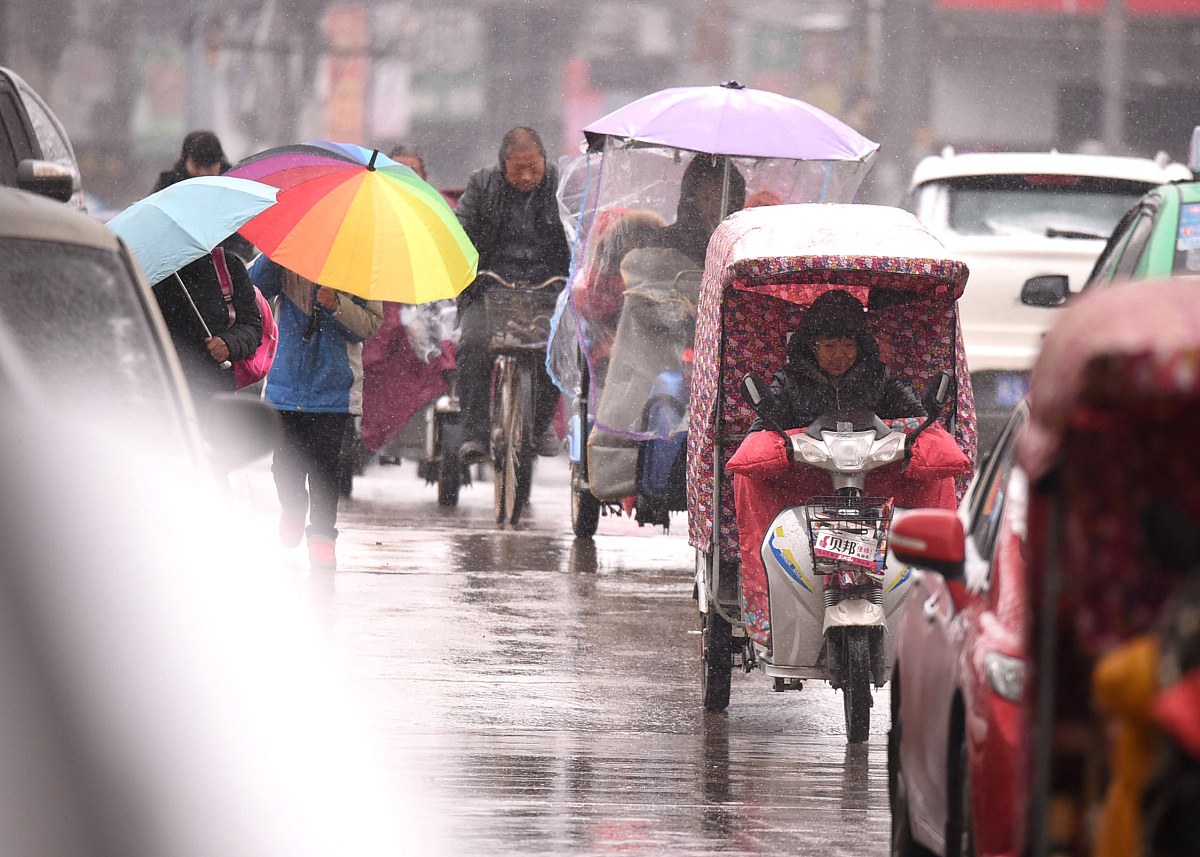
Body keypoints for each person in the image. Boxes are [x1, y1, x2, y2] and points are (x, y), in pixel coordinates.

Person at [249, 257, 384, 571]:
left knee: (324, 467)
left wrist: (336, 305)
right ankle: (294, 507)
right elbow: (252, 289)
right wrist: (274, 258)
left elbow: (369, 325)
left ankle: (323, 535)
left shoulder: (359, 265)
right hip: (285, 385)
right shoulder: (287, 252)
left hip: (333, 390)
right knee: (283, 464)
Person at [453, 126, 571, 461]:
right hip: (490, 286)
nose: (527, 175)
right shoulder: (482, 184)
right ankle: (474, 432)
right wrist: (467, 271)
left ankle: (542, 421)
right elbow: (461, 230)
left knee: (559, 346)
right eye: (518, 168)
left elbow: (578, 230)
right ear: (503, 165)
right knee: (473, 345)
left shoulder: (560, 185)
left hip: (547, 286)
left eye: (534, 167)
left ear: (544, 161)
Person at [752, 289, 925, 432]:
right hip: (806, 469)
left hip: (873, 469)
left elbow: (920, 419)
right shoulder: (788, 380)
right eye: (829, 346)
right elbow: (762, 429)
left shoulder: (880, 376)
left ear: (860, 346)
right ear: (813, 346)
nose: (839, 355)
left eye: (849, 346)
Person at [152, 249, 262, 402]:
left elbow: (252, 327)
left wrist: (228, 343)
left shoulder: (226, 265)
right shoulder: (147, 271)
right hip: (163, 390)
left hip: (214, 391)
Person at [660, 154, 746, 264]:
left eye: (720, 198)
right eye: (706, 198)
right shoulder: (671, 241)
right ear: (694, 199)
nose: (713, 207)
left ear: (733, 199)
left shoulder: (742, 245)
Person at [154, 130, 231, 192]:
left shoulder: (231, 184)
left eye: (209, 167)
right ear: (185, 161)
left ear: (220, 163)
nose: (203, 173)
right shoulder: (168, 187)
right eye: (197, 166)